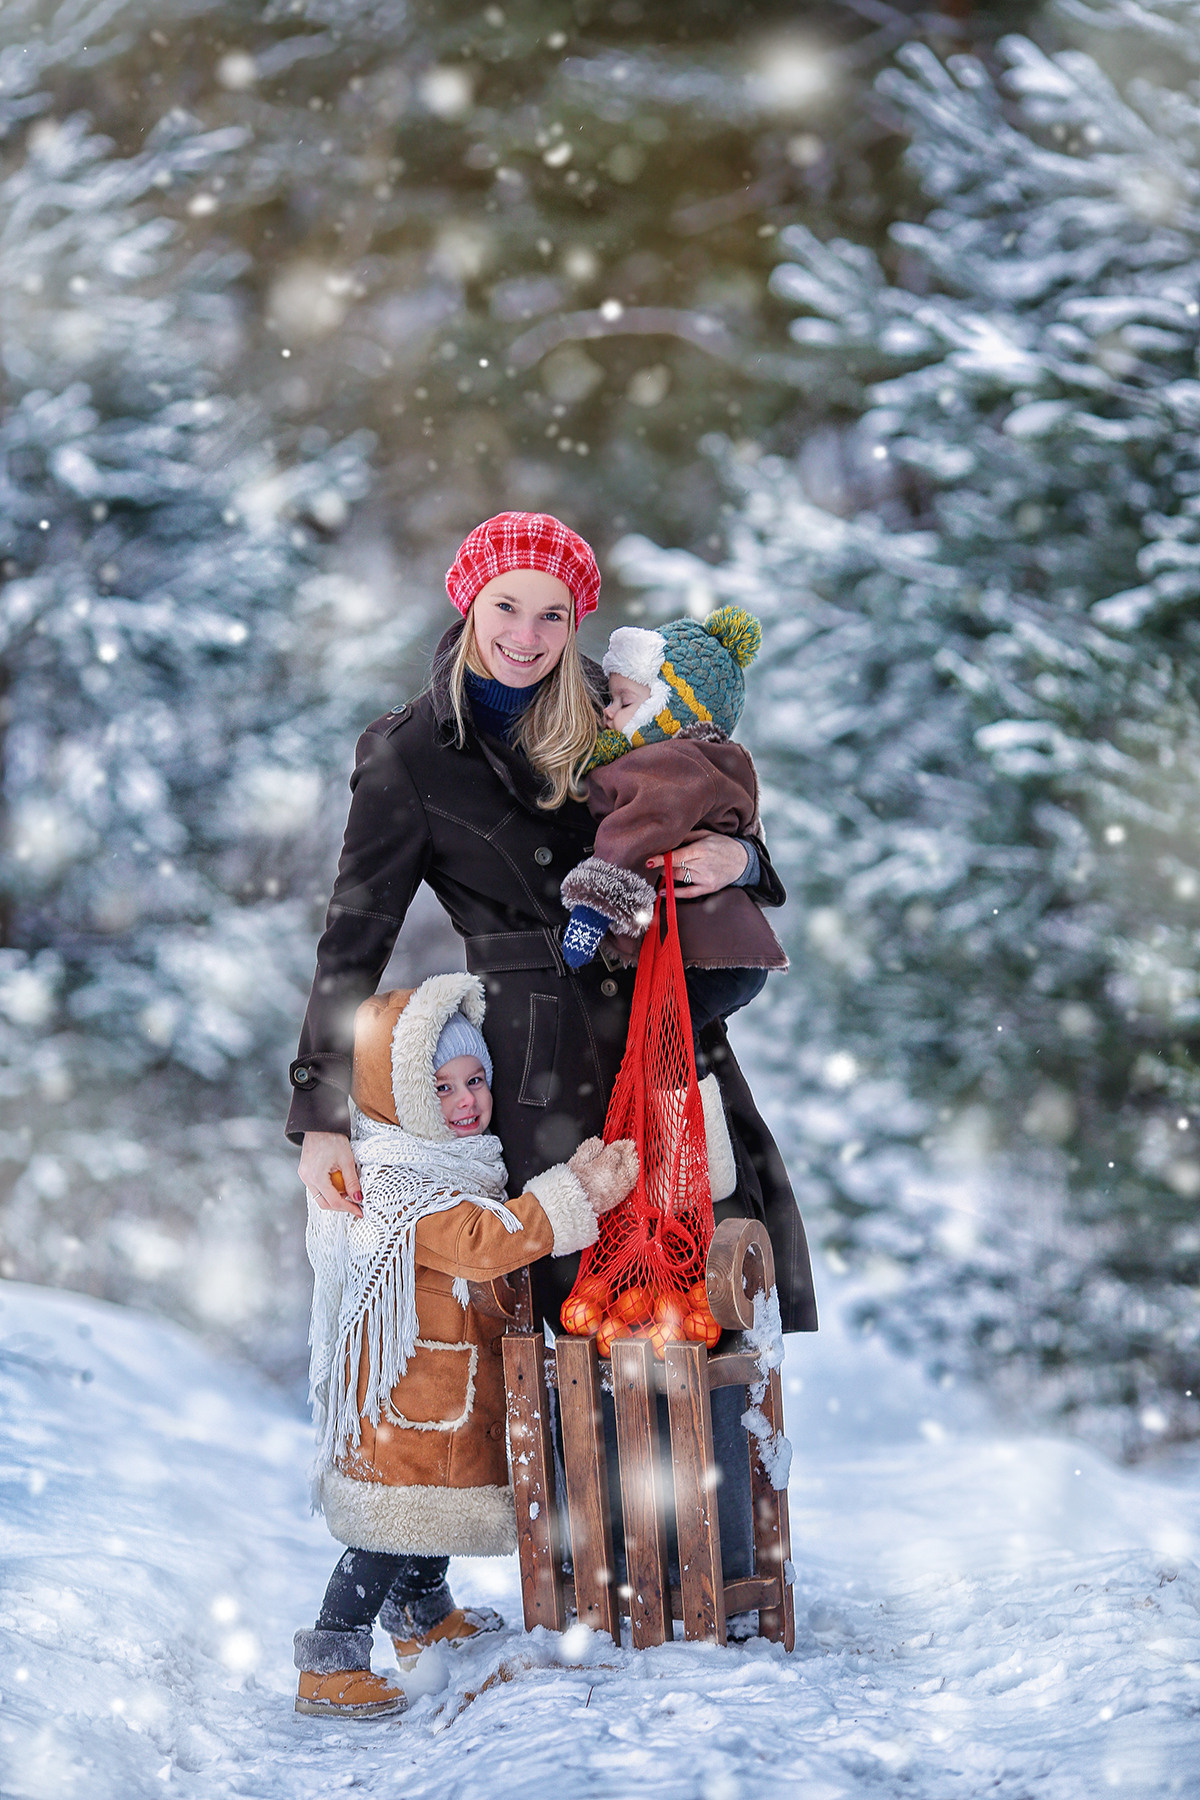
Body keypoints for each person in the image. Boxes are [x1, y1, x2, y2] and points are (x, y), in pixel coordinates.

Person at [287, 508, 816, 1347]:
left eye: (552, 615)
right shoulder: (411, 751)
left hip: (666, 1027)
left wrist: (738, 860)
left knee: (706, 1306)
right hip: (542, 1067)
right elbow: (356, 930)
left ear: (577, 623)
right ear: (470, 603)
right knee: (577, 1324)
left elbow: (712, 796)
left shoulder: (619, 706)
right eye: (506, 606)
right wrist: (321, 1113)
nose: (526, 636)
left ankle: (716, 1475)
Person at [294, 971, 637, 1719]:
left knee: (434, 1517)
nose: (466, 1102)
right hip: (403, 1404)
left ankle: (425, 1616)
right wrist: (572, 1196)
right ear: (402, 1099)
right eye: (440, 1088)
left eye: (475, 1079)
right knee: (388, 1532)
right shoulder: (397, 1184)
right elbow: (484, 1243)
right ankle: (330, 1658)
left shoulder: (463, 1169)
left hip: (439, 1397)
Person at [559, 604, 787, 1085]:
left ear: (667, 711)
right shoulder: (705, 761)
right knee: (669, 1043)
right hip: (719, 946)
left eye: (623, 700)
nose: (608, 711)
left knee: (659, 1047)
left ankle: (670, 1089)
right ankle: (677, 1085)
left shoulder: (669, 767)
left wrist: (593, 912)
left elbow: (636, 833)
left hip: (704, 947)